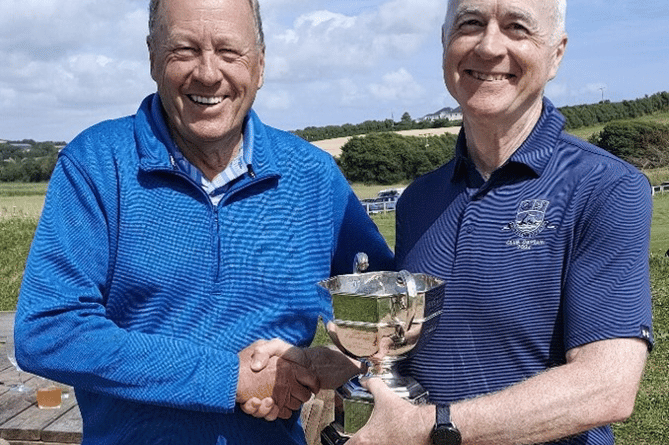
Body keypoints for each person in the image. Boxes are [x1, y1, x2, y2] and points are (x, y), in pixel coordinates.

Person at [247, 0, 654, 444]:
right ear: (445, 43)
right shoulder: (420, 200)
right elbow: (425, 354)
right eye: (470, 24)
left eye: (517, 27)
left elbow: (607, 387)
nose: (488, 45)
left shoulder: (606, 186)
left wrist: (429, 429)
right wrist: (347, 366)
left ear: (556, 53)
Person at [13, 0, 392, 444]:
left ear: (261, 64)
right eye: (185, 50)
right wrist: (227, 378)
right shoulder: (96, 165)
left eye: (230, 52)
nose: (209, 74)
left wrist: (340, 363)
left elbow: (388, 315)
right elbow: (48, 329)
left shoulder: (313, 177)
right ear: (153, 57)